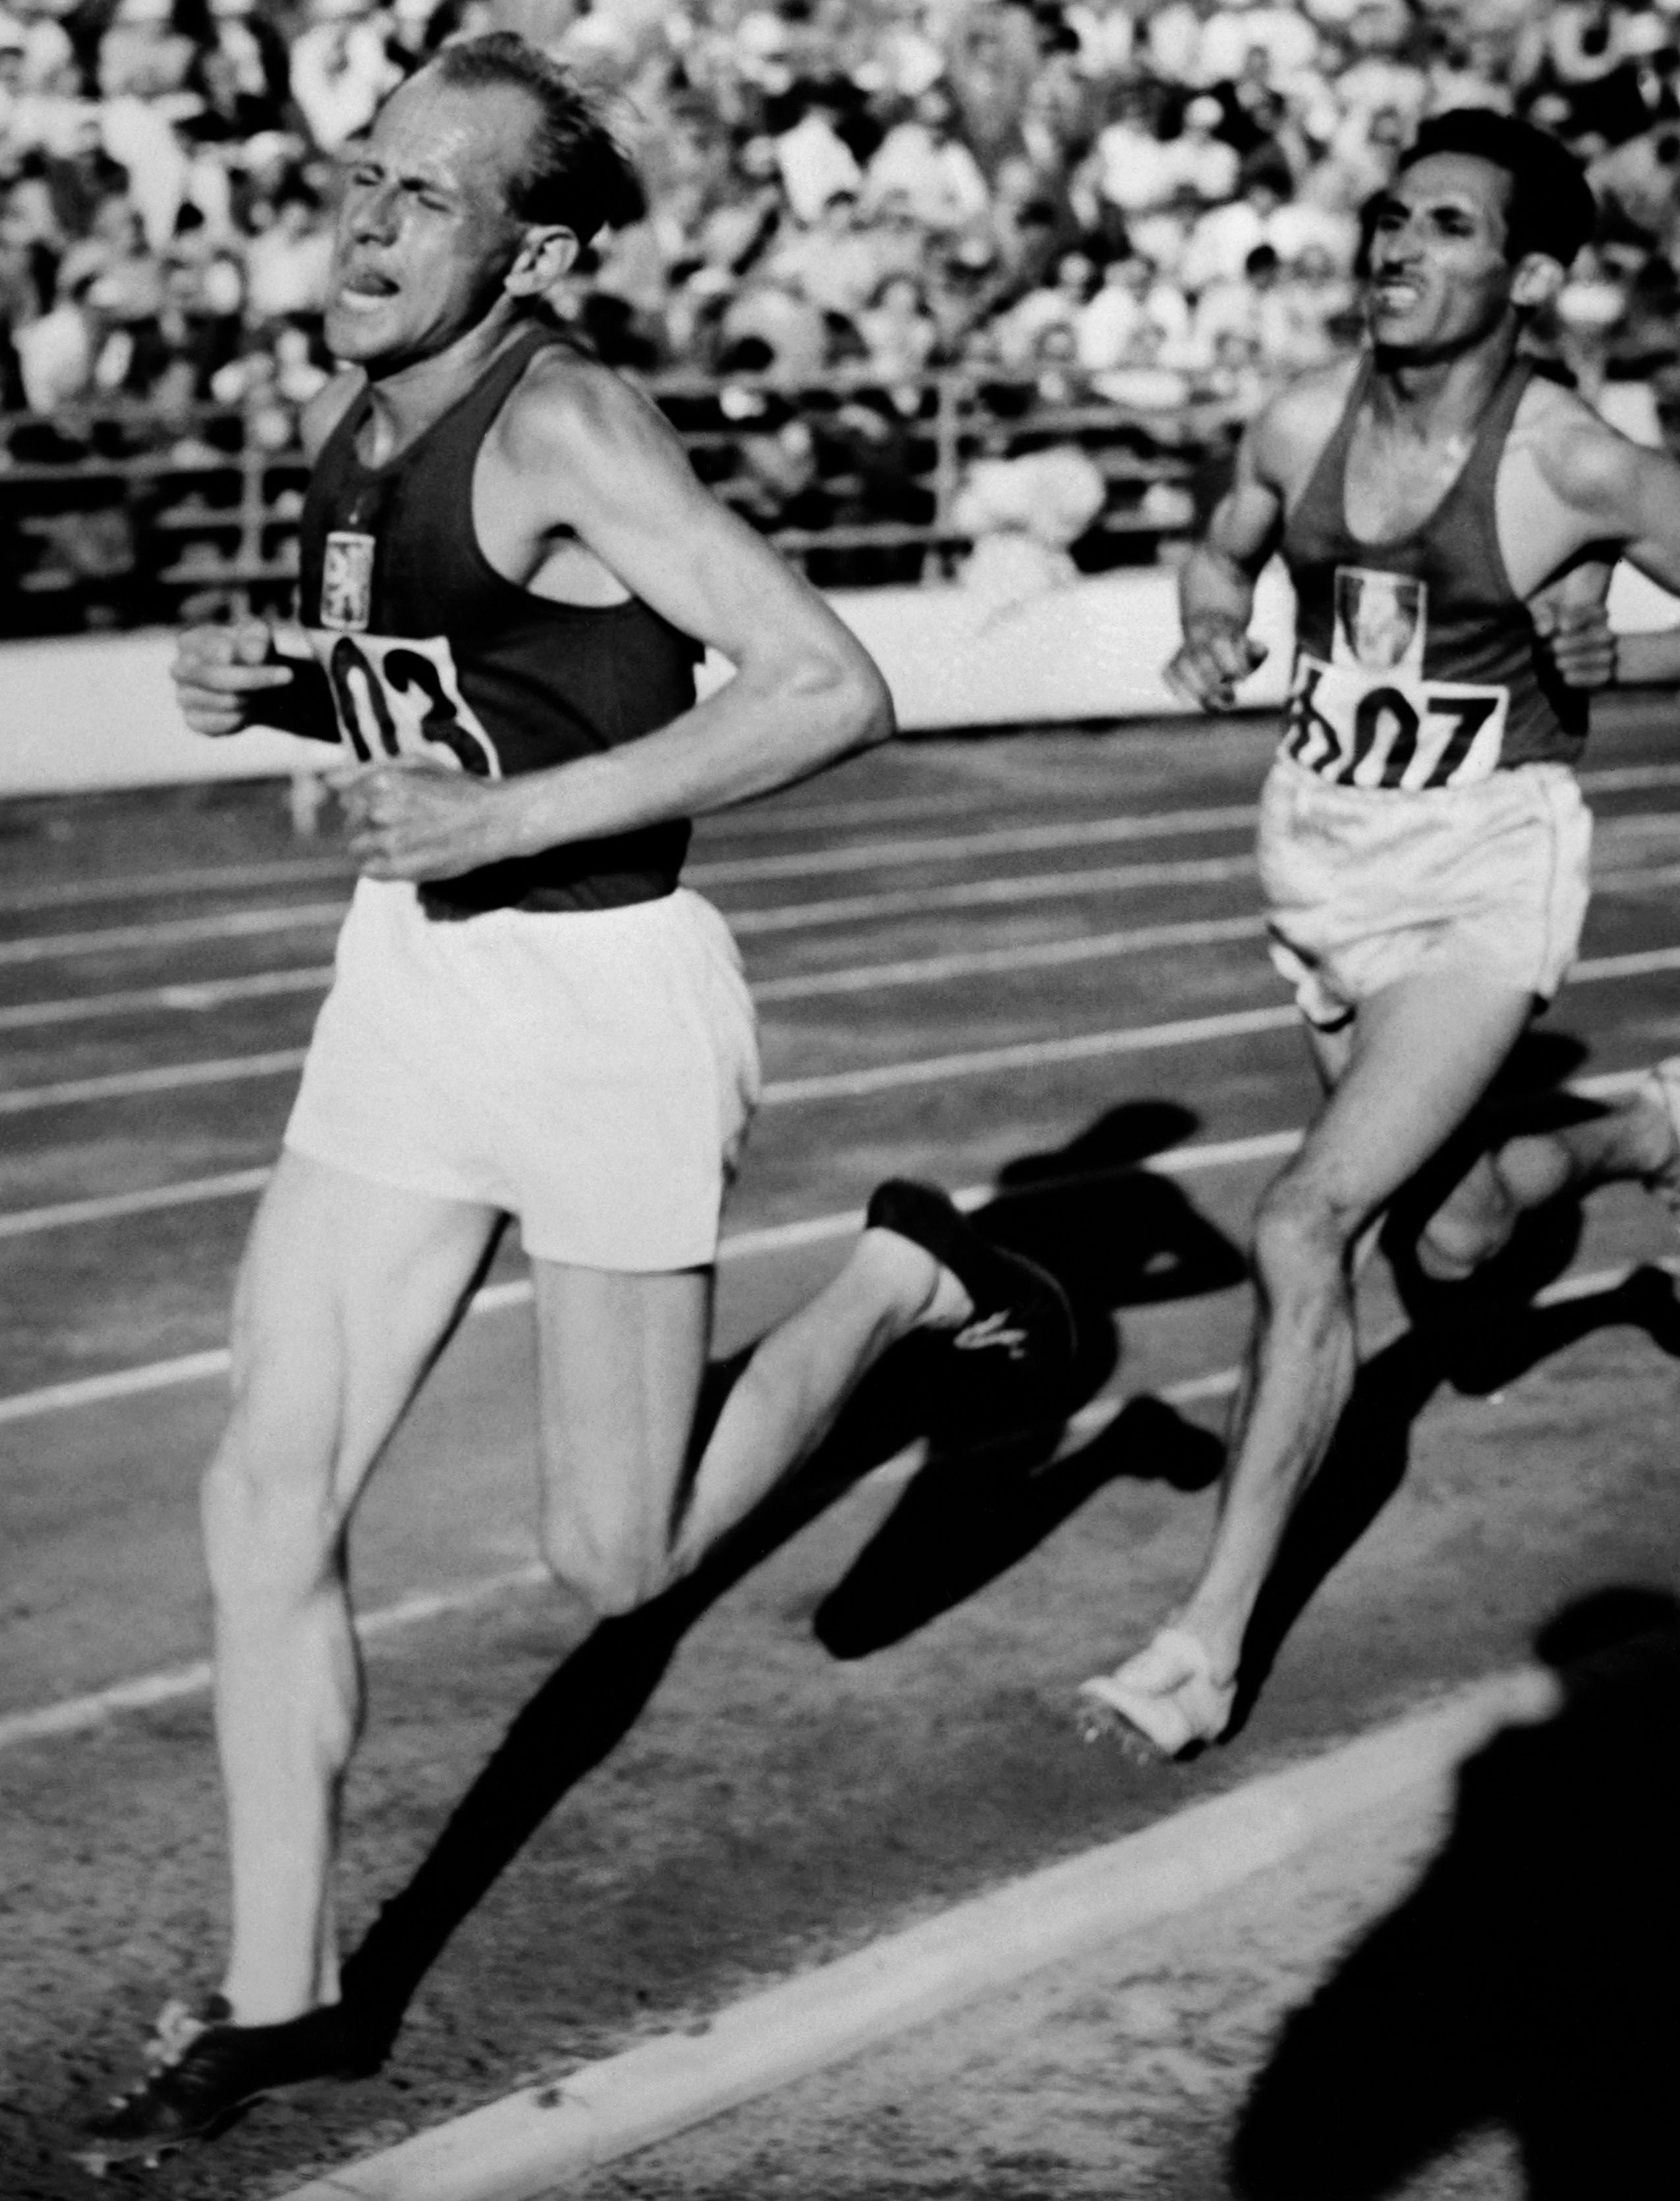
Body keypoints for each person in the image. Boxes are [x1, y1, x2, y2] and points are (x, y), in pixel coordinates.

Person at [80, 34, 1073, 2165]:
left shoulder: (563, 412)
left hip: (605, 1002)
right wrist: (293, 683)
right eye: (361, 177)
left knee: (613, 1564)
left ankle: (900, 1285)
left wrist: (500, 810)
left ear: (526, 239)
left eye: (422, 198)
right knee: (266, 1493)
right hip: (411, 995)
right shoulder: (366, 410)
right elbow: (468, 680)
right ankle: (284, 1999)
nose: (364, 221)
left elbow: (830, 685)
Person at [1077, 107, 1680, 1761]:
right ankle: (1637, 1128)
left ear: (1530, 272)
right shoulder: (1293, 421)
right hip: (1324, 860)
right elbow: (1219, 551)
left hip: (1484, 870)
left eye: (1450, 230)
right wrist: (1210, 633)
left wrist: (1633, 665)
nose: (1399, 251)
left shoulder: (1578, 467)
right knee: (1455, 1232)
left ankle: (1203, 1644)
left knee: (1302, 1220)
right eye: (1389, 220)